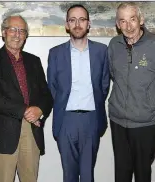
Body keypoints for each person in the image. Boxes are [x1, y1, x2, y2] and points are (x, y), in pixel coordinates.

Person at [0, 10, 53, 182]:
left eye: (22, 31)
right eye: (13, 29)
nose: (17, 35)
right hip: (3, 132)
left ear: (26, 35)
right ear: (3, 32)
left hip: (32, 130)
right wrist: (26, 111)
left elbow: (46, 95)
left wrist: (40, 110)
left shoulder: (34, 61)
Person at [107, 2, 155, 182]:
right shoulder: (113, 45)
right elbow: (114, 75)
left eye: (132, 19)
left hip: (146, 122)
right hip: (118, 120)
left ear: (141, 20)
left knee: (143, 173)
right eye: (123, 21)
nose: (128, 26)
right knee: (121, 173)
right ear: (118, 25)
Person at [47, 4, 110, 182]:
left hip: (91, 120)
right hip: (65, 120)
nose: (77, 24)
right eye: (72, 20)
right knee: (69, 176)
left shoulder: (101, 51)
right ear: (67, 25)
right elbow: (52, 87)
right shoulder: (55, 53)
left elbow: (104, 85)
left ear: (88, 24)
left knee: (88, 175)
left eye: (82, 19)